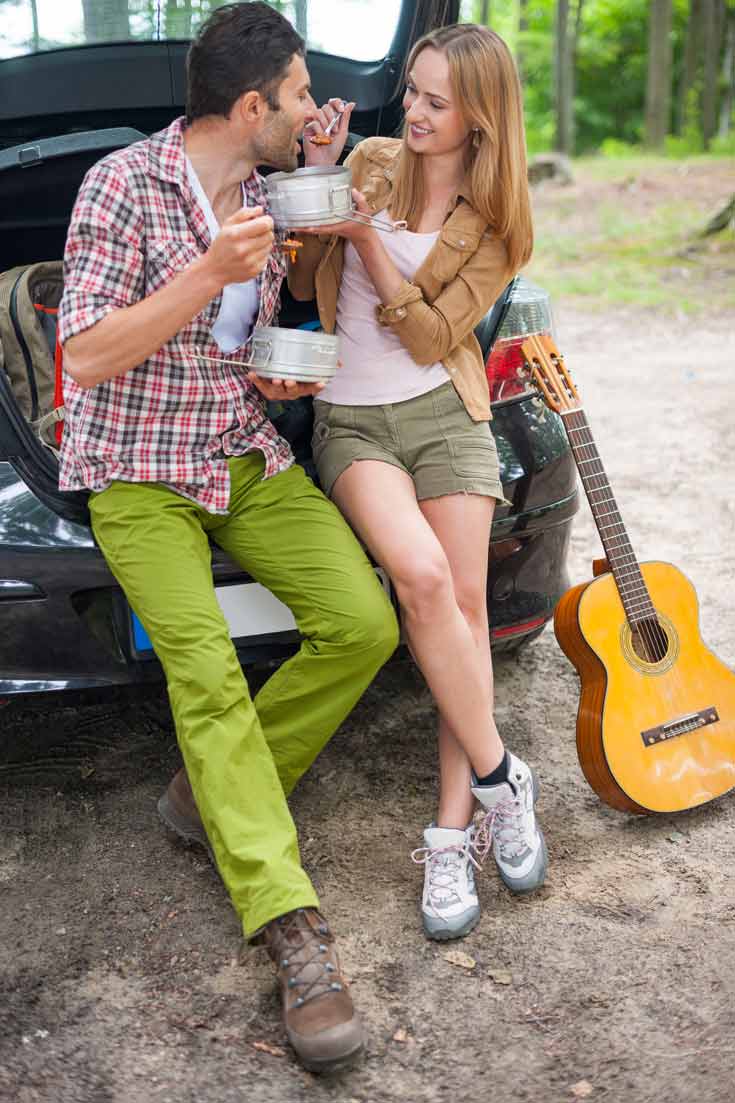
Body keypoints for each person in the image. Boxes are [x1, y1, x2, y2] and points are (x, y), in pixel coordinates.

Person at [57, 1, 399, 1074]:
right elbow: (84, 358)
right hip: (136, 470)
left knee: (362, 621)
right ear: (250, 104)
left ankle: (208, 793)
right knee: (204, 672)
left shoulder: (269, 190)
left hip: (234, 442)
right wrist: (204, 273)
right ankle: (293, 924)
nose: (309, 111)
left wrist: (285, 340)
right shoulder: (120, 185)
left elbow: (271, 323)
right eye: (298, 97)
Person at [288, 23, 547, 942]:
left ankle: (449, 834)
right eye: (416, 94)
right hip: (352, 421)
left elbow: (434, 339)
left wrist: (365, 240)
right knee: (422, 581)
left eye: (439, 102)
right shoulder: (371, 162)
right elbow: (301, 263)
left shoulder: (498, 219)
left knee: (465, 613)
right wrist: (321, 171)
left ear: (481, 115)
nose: (418, 113)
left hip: (445, 416)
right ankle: (501, 774)